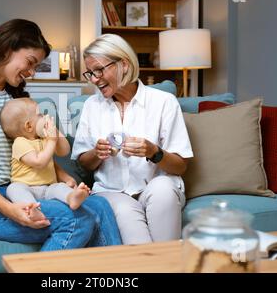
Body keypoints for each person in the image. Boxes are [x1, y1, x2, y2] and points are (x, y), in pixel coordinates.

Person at [0, 19, 121, 251]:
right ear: (7, 49)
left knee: (100, 205)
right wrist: (10, 210)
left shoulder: (11, 99)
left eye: (36, 66)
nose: (31, 72)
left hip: (14, 188)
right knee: (77, 219)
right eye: (30, 62)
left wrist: (61, 174)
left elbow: (27, 149)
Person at [71, 34, 194, 244]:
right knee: (127, 217)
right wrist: (97, 153)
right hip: (112, 192)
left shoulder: (164, 102)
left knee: (163, 189)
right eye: (90, 73)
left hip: (156, 186)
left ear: (124, 65)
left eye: (99, 70)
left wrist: (154, 152)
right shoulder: (92, 105)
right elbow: (84, 161)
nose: (94, 79)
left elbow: (181, 166)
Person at [0, 98, 90, 222]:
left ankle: (72, 198)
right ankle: (31, 208)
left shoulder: (45, 139)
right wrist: (52, 141)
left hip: (48, 188)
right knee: (13, 189)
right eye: (40, 115)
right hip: (26, 186)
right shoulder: (20, 143)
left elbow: (64, 151)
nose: (45, 116)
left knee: (59, 187)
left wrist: (55, 132)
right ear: (29, 126)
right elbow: (39, 162)